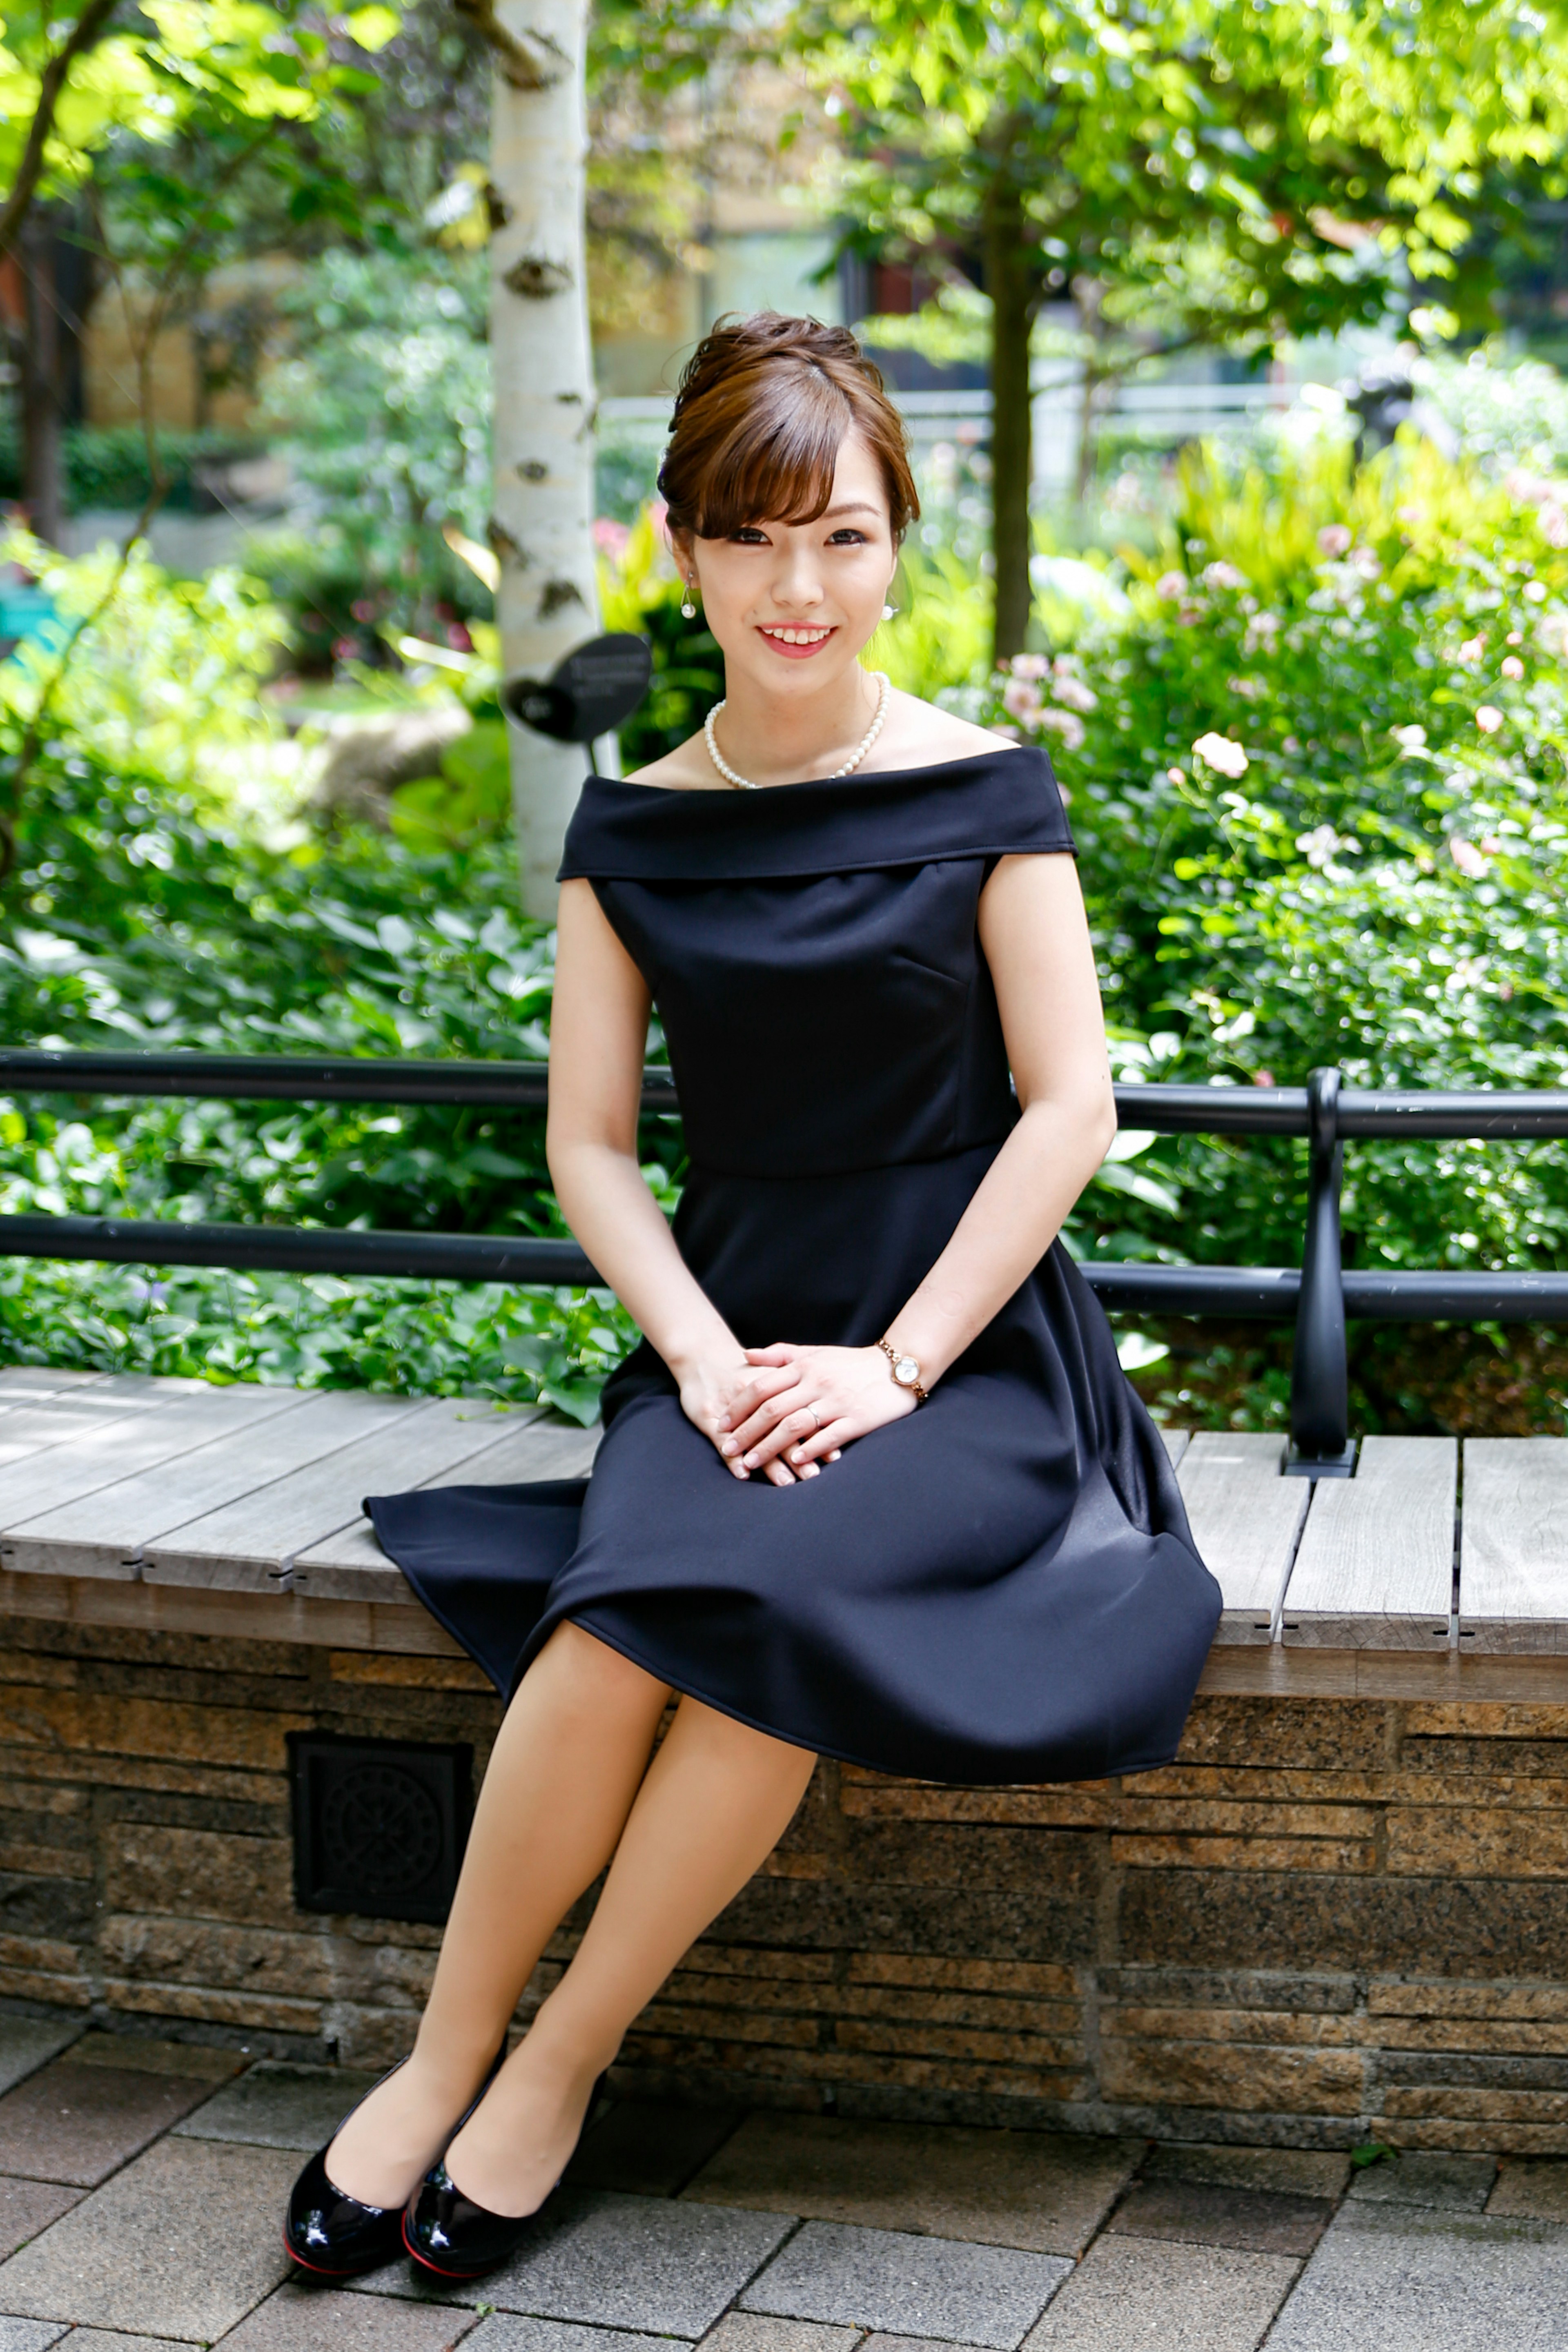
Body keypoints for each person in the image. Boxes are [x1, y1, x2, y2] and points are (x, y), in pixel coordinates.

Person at [283, 311, 1221, 2287]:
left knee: (767, 1597)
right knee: (622, 1620)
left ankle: (558, 2070)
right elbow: (594, 1147)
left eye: (849, 540)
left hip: (964, 1355)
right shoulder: (630, 833)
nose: (803, 590)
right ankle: (437, 2062)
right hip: (731, 1333)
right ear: (687, 547)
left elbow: (1070, 1113)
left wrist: (890, 1367)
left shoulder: (988, 790)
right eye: (757, 540)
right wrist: (706, 1363)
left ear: (897, 548)